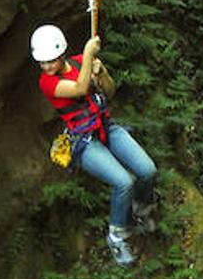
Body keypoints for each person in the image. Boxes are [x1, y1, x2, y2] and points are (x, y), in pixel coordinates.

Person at [31, 24, 157, 266]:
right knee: (124, 182)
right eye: (42, 62)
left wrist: (101, 74)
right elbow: (78, 88)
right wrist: (89, 55)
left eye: (50, 61)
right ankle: (117, 236)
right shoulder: (46, 82)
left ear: (62, 54)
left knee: (147, 170)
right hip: (83, 140)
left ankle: (142, 209)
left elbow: (109, 91)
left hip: (106, 127)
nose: (46, 67)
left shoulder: (80, 62)